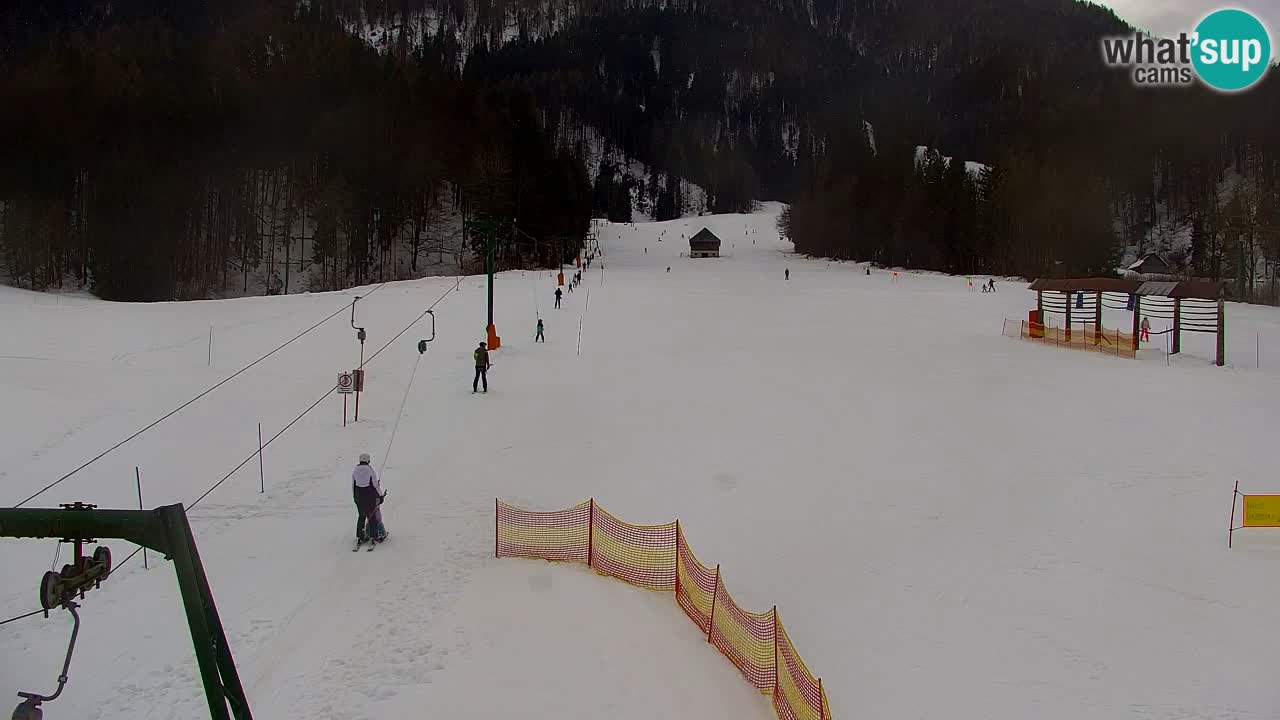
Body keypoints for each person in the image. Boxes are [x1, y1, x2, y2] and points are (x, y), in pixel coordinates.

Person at [352, 453, 385, 544]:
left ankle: (360, 536)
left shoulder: (355, 470)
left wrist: (354, 497)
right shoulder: (370, 470)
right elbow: (375, 485)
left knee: (361, 516)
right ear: (368, 460)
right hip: (369, 498)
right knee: (372, 517)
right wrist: (381, 496)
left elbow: (353, 485)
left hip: (358, 497)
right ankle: (374, 536)